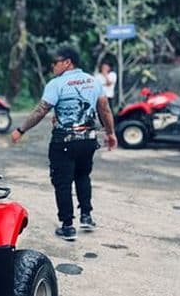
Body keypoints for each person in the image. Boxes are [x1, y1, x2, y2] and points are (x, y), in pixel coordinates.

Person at [11, 46, 116, 241]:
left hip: (64, 142)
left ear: (67, 62)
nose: (53, 66)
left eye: (55, 62)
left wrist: (21, 129)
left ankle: (67, 226)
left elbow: (41, 110)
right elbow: (105, 109)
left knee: (62, 182)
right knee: (83, 176)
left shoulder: (56, 83)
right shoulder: (93, 81)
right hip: (88, 140)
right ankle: (86, 216)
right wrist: (110, 133)